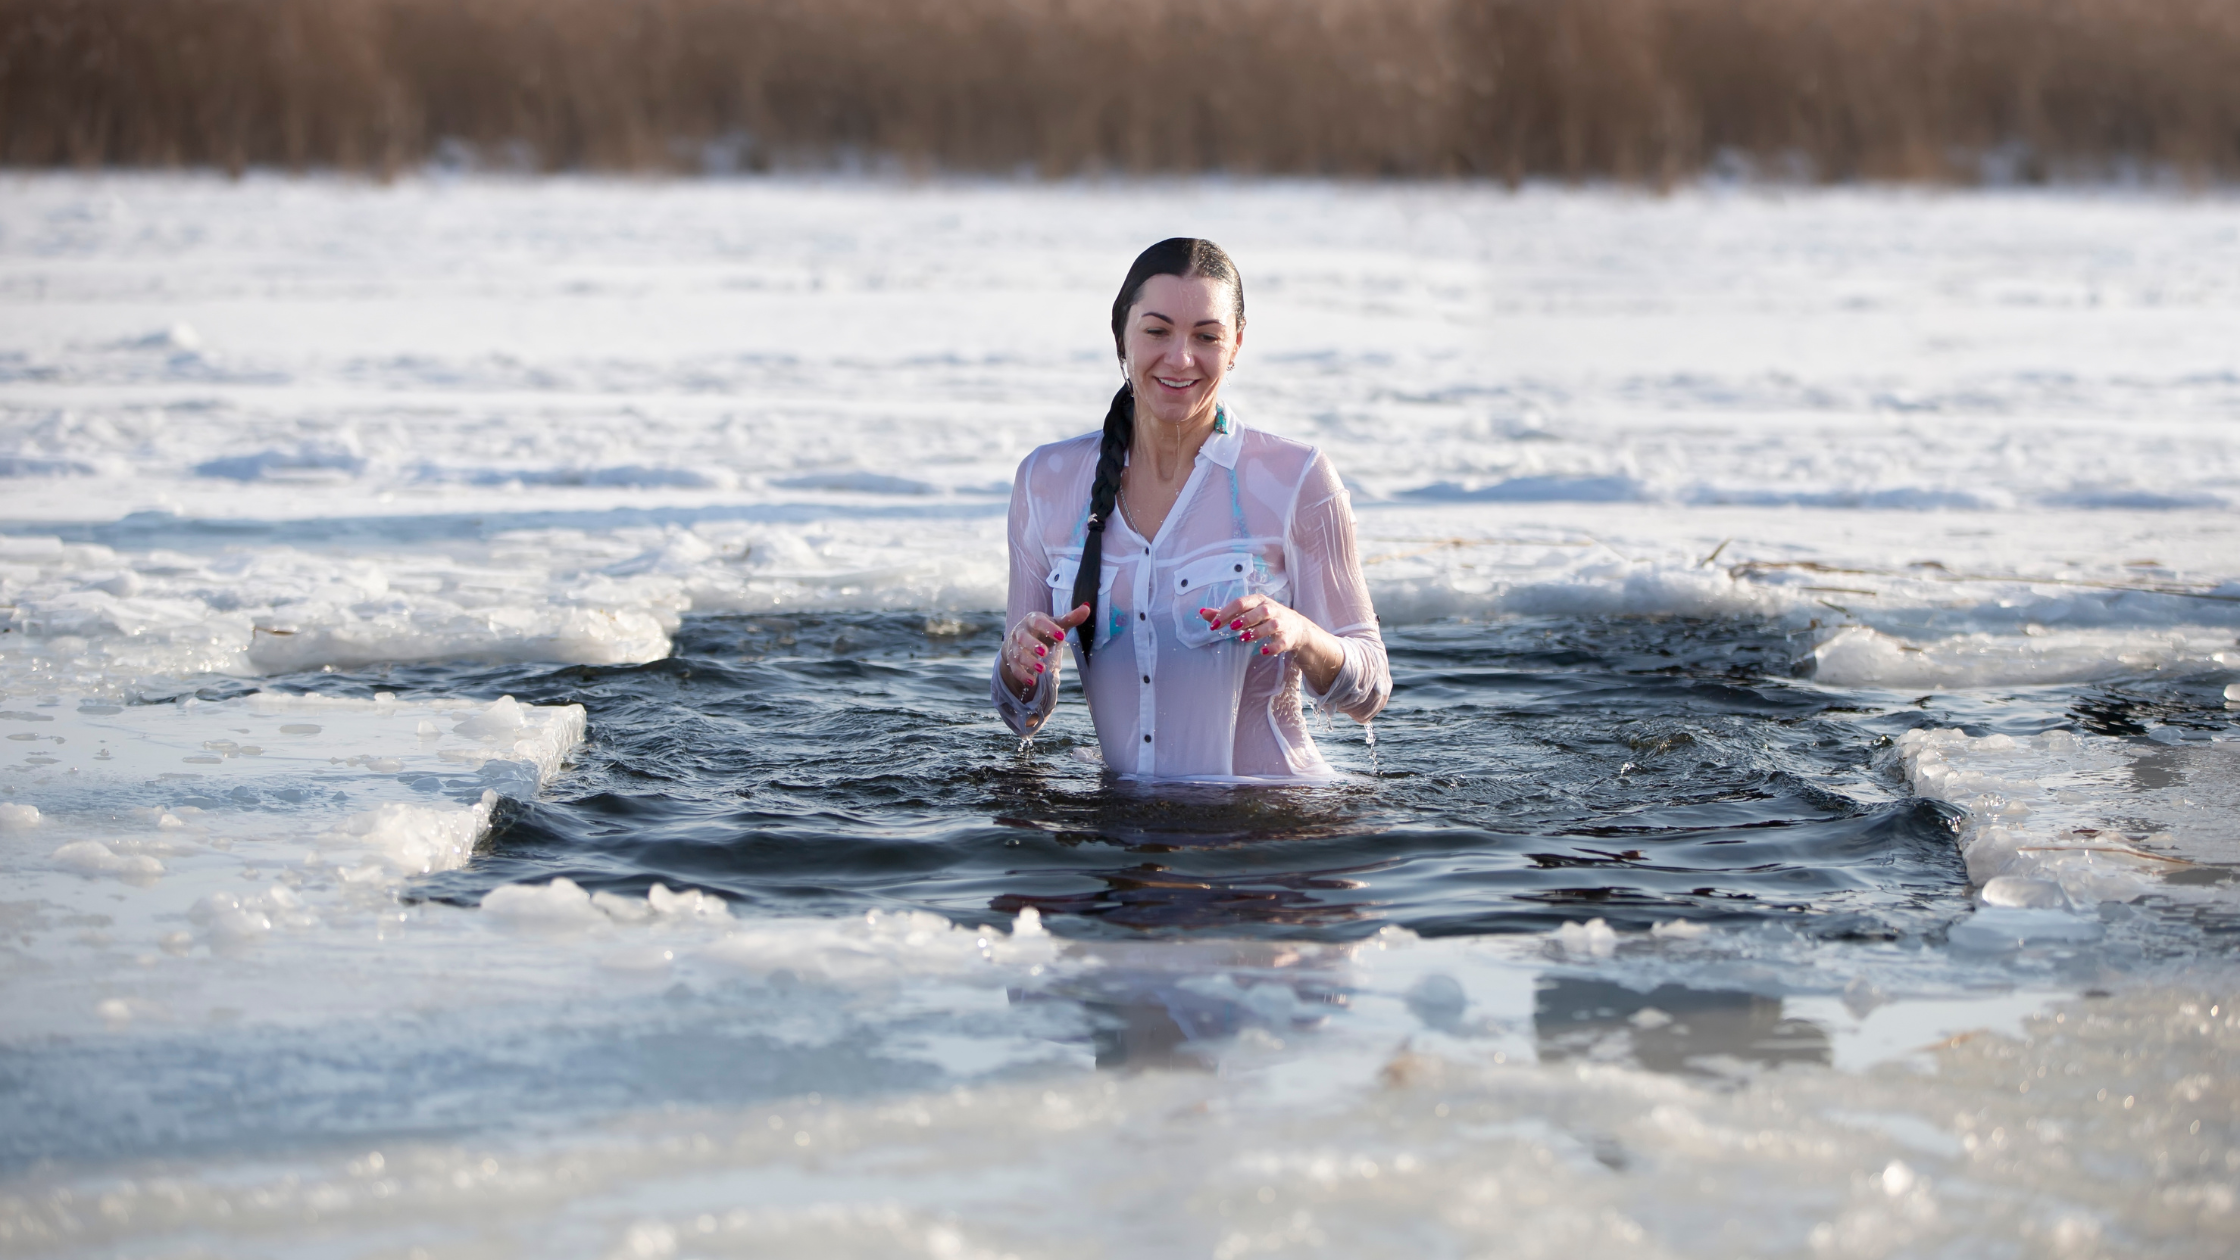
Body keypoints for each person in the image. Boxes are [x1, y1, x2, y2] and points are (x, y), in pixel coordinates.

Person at [991, 238, 1389, 780]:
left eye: (1206, 336)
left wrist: (1301, 635)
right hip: (1125, 827)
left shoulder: (1296, 477)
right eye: (1157, 331)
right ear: (1121, 337)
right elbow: (1022, 713)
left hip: (1274, 828)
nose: (1180, 358)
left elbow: (1371, 688)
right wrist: (1019, 666)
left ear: (1236, 346)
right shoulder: (1046, 481)